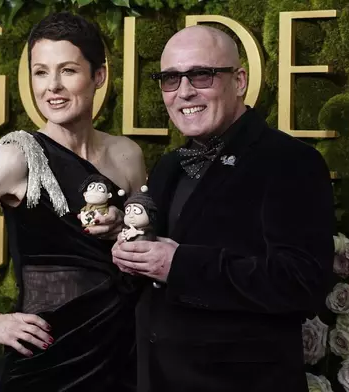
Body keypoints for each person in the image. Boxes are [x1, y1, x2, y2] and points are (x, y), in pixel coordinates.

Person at [0, 12, 146, 392]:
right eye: (40, 72)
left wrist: (121, 228)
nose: (53, 87)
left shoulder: (127, 154)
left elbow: (140, 253)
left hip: (122, 352)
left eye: (68, 70)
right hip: (47, 362)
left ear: (99, 76)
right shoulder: (19, 157)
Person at [112, 26, 335, 392]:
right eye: (170, 79)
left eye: (202, 75)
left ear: (240, 80)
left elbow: (301, 282)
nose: (184, 92)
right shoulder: (170, 164)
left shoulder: (291, 161)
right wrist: (130, 254)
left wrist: (180, 265)